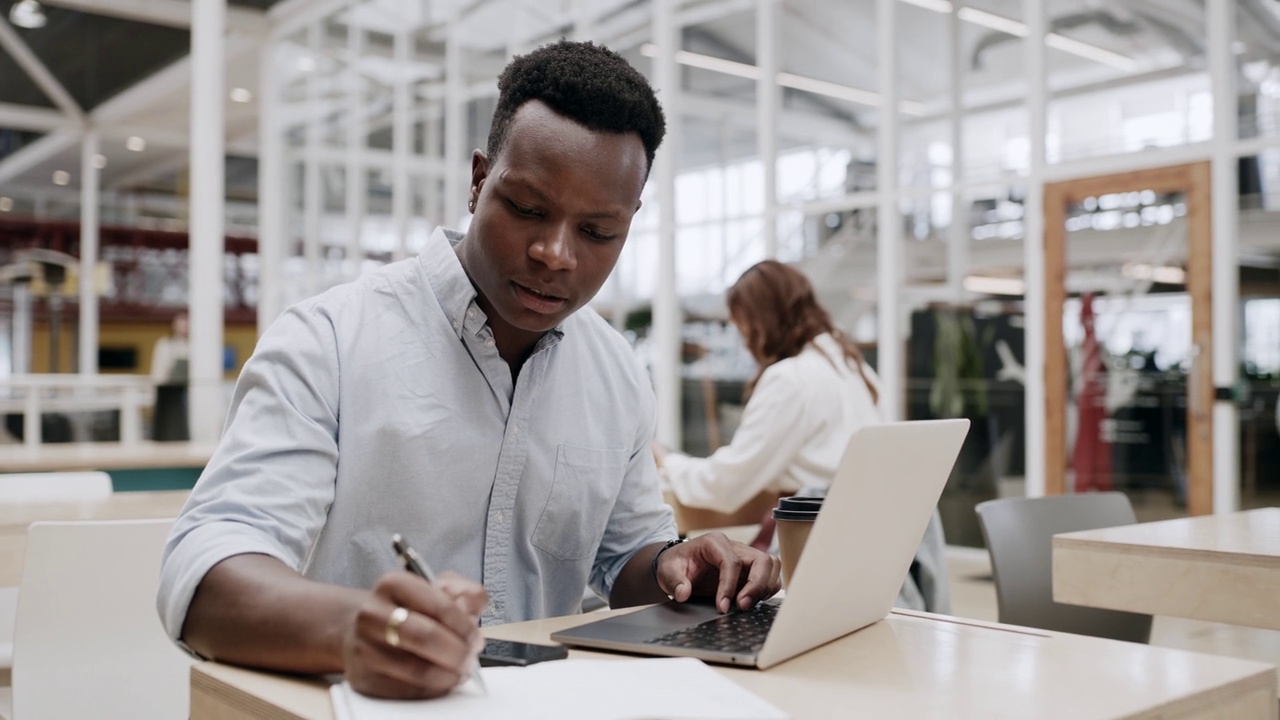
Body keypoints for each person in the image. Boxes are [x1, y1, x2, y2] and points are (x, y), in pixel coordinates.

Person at [157, 40, 780, 701]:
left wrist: (676, 567)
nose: (554, 253)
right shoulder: (329, 340)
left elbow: (625, 559)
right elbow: (206, 579)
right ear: (480, 180)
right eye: (529, 209)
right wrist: (352, 629)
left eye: (598, 233)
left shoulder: (615, 371)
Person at [653, 260, 949, 613]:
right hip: (873, 545)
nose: (746, 343)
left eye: (745, 330)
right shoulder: (850, 364)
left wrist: (666, 460)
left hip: (823, 545)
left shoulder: (791, 378)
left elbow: (726, 484)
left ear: (763, 321)